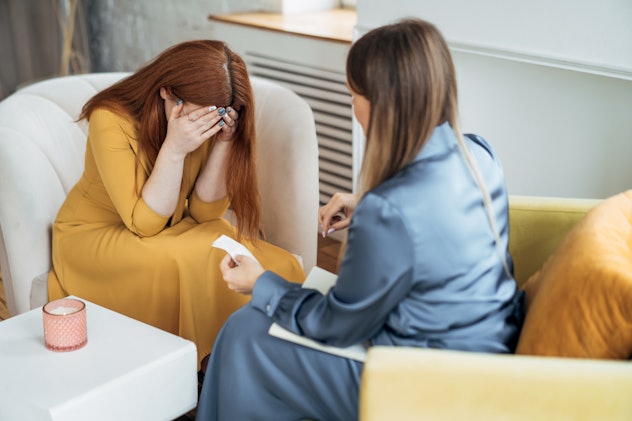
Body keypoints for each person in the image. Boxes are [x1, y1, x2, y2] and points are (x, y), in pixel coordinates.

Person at [196, 18, 525, 420]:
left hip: (429, 382)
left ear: (383, 103)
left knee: (244, 333)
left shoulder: (389, 210)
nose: (352, 107)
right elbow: (436, 226)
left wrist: (260, 282)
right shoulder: (479, 154)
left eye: (354, 95)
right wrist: (367, 203)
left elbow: (335, 324)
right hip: (487, 348)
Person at [47, 40, 306, 369]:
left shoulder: (208, 117)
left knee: (252, 256)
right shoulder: (110, 118)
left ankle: (260, 360)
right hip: (95, 237)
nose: (206, 126)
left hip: (173, 225)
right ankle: (205, 370)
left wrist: (224, 143)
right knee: (188, 258)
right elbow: (144, 224)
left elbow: (203, 213)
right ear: (167, 93)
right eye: (201, 116)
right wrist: (175, 147)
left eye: (218, 115)